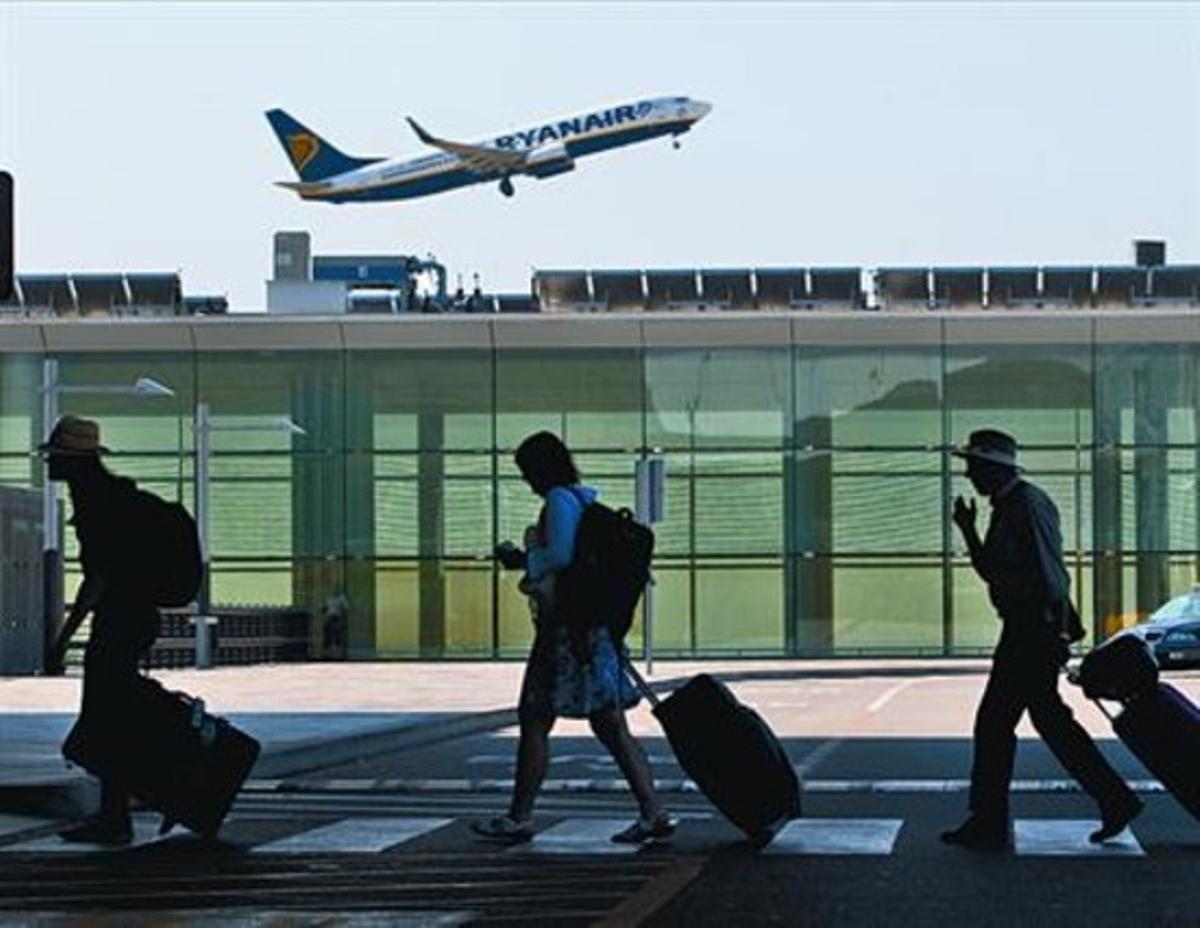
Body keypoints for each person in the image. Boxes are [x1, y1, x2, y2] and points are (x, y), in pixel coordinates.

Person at [941, 428, 1143, 850]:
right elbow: (996, 572)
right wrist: (968, 530)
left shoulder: (1025, 506)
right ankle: (1114, 799)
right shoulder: (1011, 506)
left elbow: (1050, 573)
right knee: (1046, 721)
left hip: (1031, 629)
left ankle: (990, 821)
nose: (969, 474)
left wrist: (1053, 628)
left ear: (994, 468)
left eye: (974, 466)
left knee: (997, 722)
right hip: (1030, 628)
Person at [472, 431, 676, 844]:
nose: (526, 480)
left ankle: (520, 817)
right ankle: (652, 810)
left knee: (535, 716)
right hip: (590, 630)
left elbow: (562, 556)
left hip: (567, 633)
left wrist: (526, 557)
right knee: (608, 725)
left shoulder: (560, 502)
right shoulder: (581, 500)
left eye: (527, 471)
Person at [41, 416, 161, 845]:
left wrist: (63, 637)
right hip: (135, 617)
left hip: (120, 619)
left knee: (109, 716)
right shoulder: (112, 496)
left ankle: (114, 819)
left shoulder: (97, 505)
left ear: (73, 460)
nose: (49, 463)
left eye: (54, 455)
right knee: (114, 715)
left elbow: (99, 578)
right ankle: (114, 813)